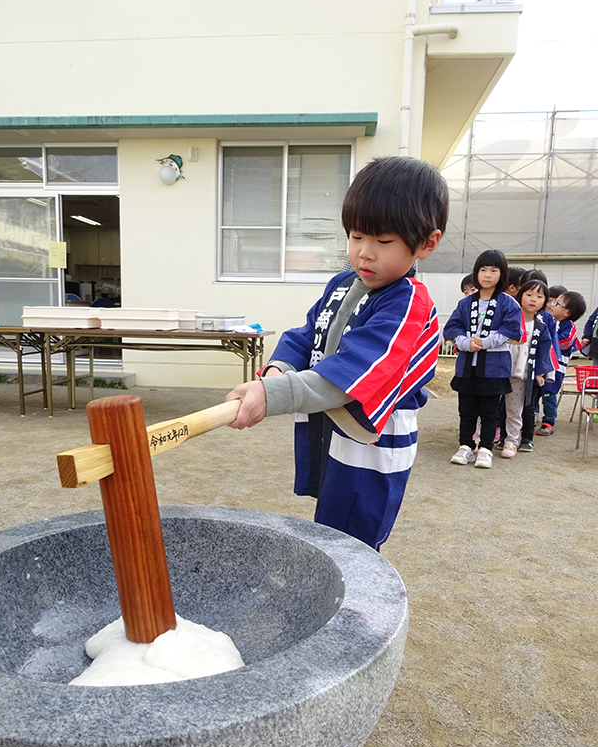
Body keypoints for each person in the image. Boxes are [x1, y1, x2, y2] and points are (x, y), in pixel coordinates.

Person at [225, 156, 448, 549]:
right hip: (333, 423)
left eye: (382, 242)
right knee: (328, 524)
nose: (364, 253)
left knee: (353, 541)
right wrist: (276, 372)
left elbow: (357, 370)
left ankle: (354, 610)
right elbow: (307, 334)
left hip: (372, 440)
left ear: (427, 243)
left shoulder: (409, 301)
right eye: (357, 236)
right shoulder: (343, 283)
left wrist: (275, 395)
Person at [443, 249, 524, 469]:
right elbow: (451, 328)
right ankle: (465, 446)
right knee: (466, 410)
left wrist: (485, 342)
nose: (487, 274)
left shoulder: (508, 303)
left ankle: (486, 448)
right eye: (483, 269)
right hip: (467, 366)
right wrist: (465, 343)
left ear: (502, 274)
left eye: (493, 270)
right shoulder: (466, 303)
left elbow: (512, 329)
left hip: (494, 367)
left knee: (489, 412)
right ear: (476, 273)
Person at [500, 280, 554, 458]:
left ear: (545, 301)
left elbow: (543, 352)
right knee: (490, 405)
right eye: (529, 294)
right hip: (498, 370)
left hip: (522, 374)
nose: (533, 300)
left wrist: (539, 372)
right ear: (520, 295)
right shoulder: (507, 319)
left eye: (539, 296)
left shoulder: (541, 327)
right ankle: (483, 438)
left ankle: (512, 441)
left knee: (515, 409)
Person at [536, 290, 586, 435]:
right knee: (534, 392)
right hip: (541, 364)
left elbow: (566, 342)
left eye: (557, 303)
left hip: (556, 367)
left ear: (567, 313)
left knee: (549, 394)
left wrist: (548, 338)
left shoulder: (568, 325)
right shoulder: (544, 318)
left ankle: (548, 422)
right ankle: (532, 417)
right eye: (552, 301)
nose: (551, 305)